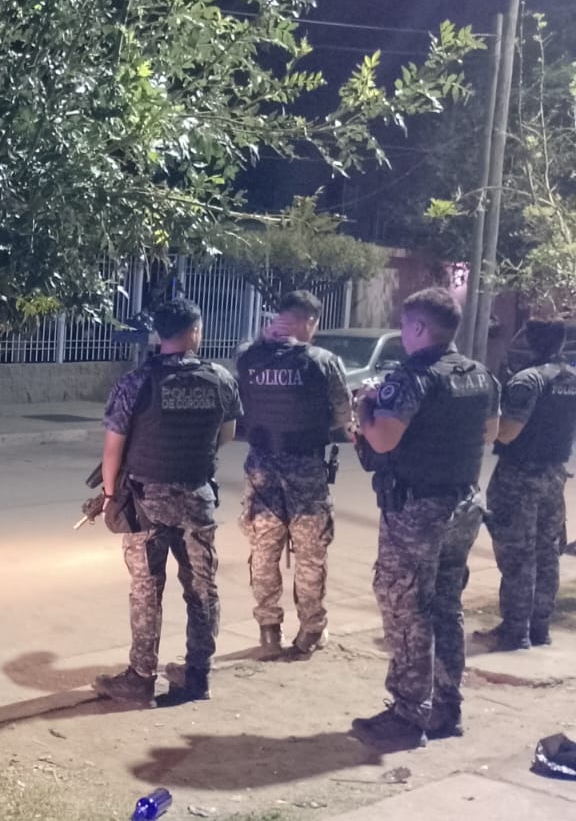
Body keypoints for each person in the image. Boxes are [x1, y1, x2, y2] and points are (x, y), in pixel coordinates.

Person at [352, 287, 499, 749]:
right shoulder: (480, 375)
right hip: (463, 504)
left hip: (417, 510)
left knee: (406, 608)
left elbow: (382, 440)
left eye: (404, 324)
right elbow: (490, 432)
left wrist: (364, 407)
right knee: (446, 606)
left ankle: (408, 714)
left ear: (418, 327)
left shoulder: (412, 376)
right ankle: (446, 708)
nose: (402, 333)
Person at [91, 298, 242, 708]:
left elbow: (112, 451)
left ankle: (141, 679)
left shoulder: (135, 383)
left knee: (146, 589)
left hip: (146, 504)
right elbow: (226, 435)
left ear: (159, 334)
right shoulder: (220, 379)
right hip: (197, 499)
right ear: (195, 332)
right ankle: (198, 675)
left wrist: (110, 497)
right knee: (201, 588)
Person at [235, 291, 353, 658]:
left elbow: (242, 402)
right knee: (310, 554)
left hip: (262, 471)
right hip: (306, 470)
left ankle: (269, 631)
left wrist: (262, 342)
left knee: (263, 552)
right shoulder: (324, 362)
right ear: (309, 322)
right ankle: (311, 631)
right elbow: (343, 415)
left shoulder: (249, 356)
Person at [474, 319, 576, 651]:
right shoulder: (571, 378)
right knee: (547, 553)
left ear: (531, 341)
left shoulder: (528, 380)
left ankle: (515, 631)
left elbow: (507, 433)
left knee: (518, 554)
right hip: (554, 475)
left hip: (519, 478)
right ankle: (540, 627)